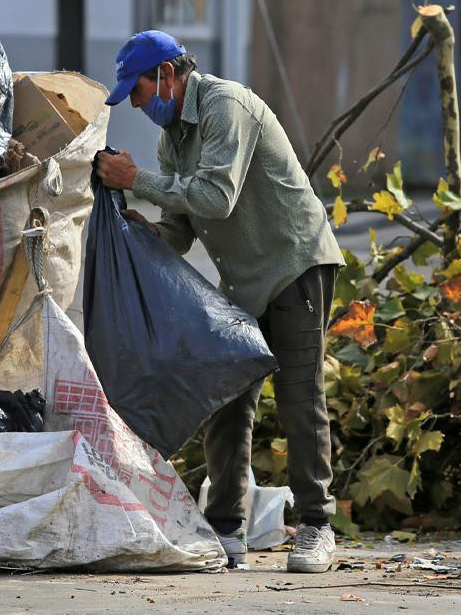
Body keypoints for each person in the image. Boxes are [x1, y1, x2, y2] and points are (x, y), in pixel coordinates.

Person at [95, 30, 344, 572]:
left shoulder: (225, 105)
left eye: (137, 91)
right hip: (244, 281)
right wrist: (138, 230)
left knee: (301, 397)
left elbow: (218, 198)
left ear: (166, 74)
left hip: (296, 264)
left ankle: (318, 527)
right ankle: (226, 529)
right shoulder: (172, 142)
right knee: (227, 396)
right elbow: (181, 230)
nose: (137, 105)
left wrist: (137, 178)